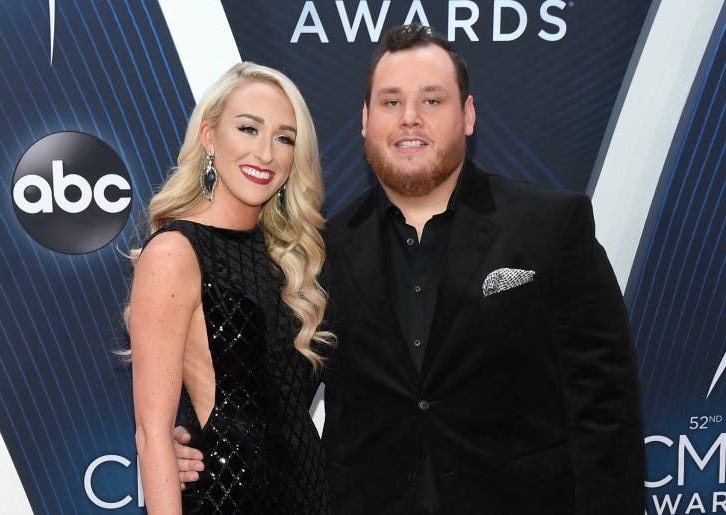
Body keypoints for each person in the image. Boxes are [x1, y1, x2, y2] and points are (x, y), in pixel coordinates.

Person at [176, 25, 646, 514]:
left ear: (468, 115)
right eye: (391, 102)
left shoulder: (550, 226)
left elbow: (606, 407)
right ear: (365, 119)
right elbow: (274, 392)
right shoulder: (319, 251)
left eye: (433, 100)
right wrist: (189, 440)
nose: (410, 119)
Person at [127, 61, 334, 514]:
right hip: (229, 501)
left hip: (310, 498)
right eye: (248, 129)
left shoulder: (293, 260)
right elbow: (152, 433)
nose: (265, 153)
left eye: (284, 138)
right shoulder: (175, 253)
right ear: (208, 136)